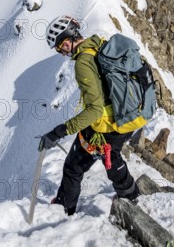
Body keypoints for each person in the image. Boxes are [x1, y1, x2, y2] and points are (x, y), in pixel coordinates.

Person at [38, 15, 140, 216]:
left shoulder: (83, 63)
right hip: (128, 114)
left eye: (61, 47)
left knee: (74, 166)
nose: (61, 52)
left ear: (69, 39)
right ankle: (130, 194)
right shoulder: (98, 44)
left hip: (109, 123)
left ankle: (62, 210)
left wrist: (59, 131)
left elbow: (94, 110)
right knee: (110, 155)